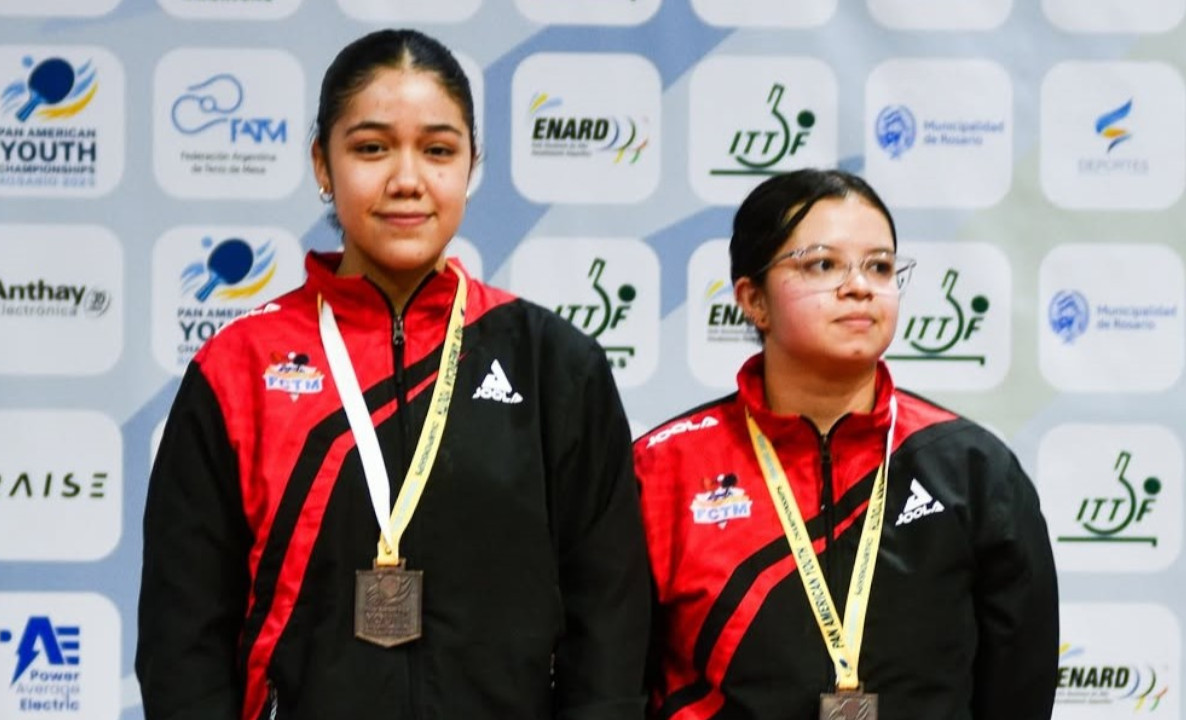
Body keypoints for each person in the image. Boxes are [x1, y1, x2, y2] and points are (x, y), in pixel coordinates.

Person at [137, 28, 650, 720]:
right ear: (323, 164)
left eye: (438, 150)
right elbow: (182, 633)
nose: (407, 179)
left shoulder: (554, 363)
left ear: (470, 166)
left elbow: (609, 626)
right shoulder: (241, 365)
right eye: (371, 148)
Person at [633, 169, 1058, 719]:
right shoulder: (665, 468)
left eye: (879, 266)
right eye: (822, 264)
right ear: (753, 299)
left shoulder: (970, 469)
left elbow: (1018, 686)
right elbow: (614, 680)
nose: (859, 285)